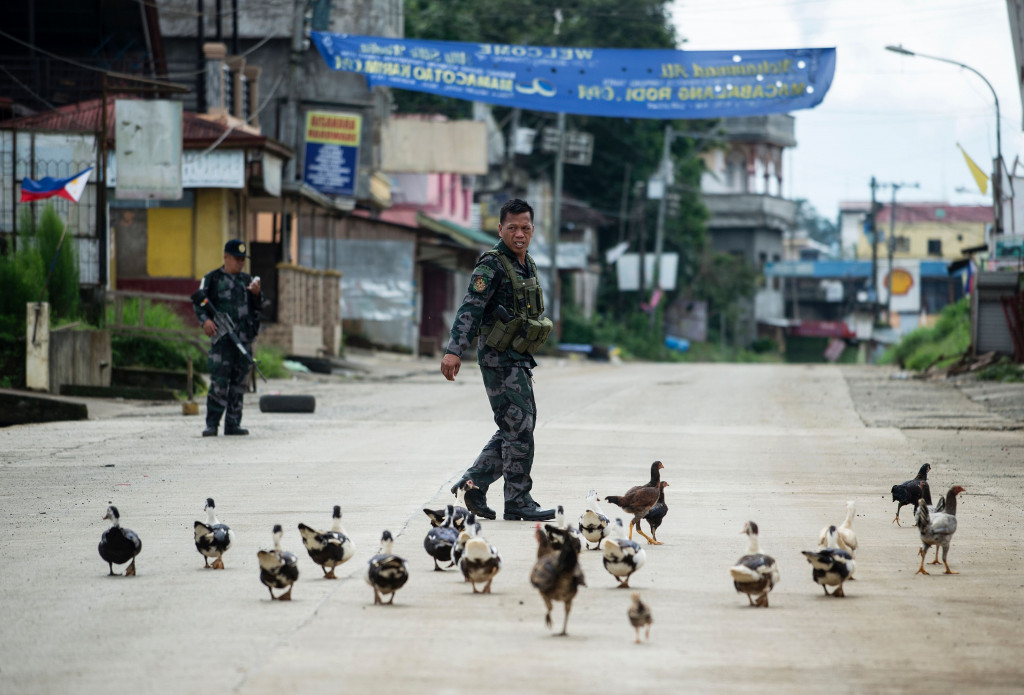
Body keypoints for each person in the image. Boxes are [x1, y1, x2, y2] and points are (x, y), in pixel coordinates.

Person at [441, 198, 555, 522]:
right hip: (497, 358)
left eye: (525, 228)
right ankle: (517, 500)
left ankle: (473, 484)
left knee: (516, 426)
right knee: (519, 427)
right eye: (513, 228)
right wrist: (454, 349)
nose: (519, 234)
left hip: (518, 356)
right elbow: (471, 307)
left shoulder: (527, 263)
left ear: (532, 229)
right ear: (500, 228)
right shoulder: (491, 264)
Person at [195, 239, 263, 437]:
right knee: (219, 383)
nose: (240, 263)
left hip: (243, 341)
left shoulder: (247, 280)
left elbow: (259, 306)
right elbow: (199, 302)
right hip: (223, 341)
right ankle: (212, 424)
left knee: (239, 384)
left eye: (243, 259)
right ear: (226, 257)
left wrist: (257, 294)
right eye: (236, 258)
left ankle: (233, 423)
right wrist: (205, 321)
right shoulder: (213, 279)